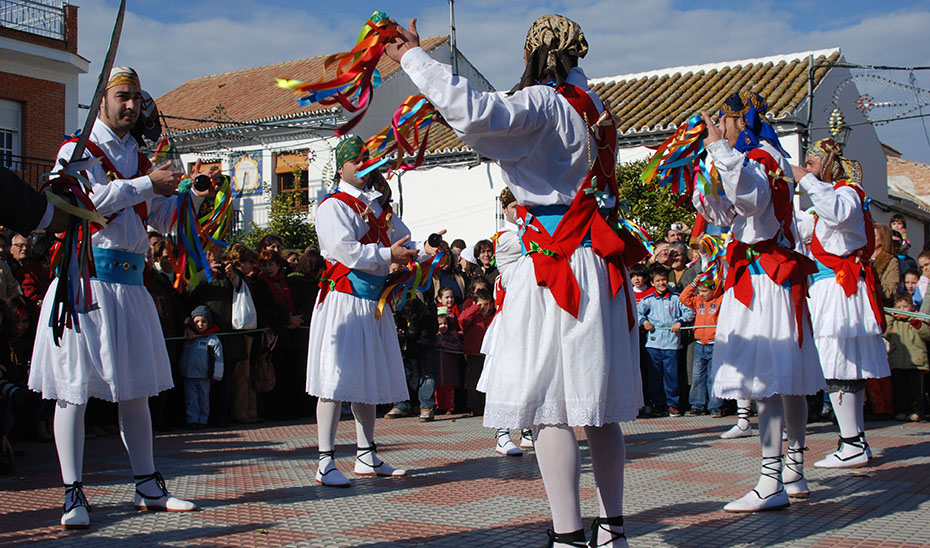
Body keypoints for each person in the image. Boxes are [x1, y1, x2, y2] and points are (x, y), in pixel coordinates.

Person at [390, 15, 647, 547]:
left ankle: (569, 535)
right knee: (596, 406)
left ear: (533, 54)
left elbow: (479, 114)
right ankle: (613, 529)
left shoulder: (545, 104)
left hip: (554, 264)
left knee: (551, 405)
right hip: (595, 262)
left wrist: (414, 59)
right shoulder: (596, 108)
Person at [28, 67, 200, 528]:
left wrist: (189, 196)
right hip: (84, 282)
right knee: (73, 393)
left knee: (136, 392)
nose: (131, 106)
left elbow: (160, 221)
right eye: (122, 96)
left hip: (129, 286)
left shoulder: (142, 160)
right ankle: (72, 493)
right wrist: (148, 184)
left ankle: (147, 485)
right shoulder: (77, 149)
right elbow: (89, 202)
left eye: (137, 99)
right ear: (101, 99)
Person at [693, 91, 823, 512]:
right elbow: (725, 214)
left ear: (737, 122)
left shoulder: (760, 160)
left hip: (765, 278)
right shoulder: (767, 158)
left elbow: (749, 200)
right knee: (786, 381)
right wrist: (708, 177)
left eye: (724, 122)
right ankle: (793, 472)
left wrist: (717, 150)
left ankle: (771, 481)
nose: (720, 128)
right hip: (769, 276)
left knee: (769, 381)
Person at [306, 135, 441, 487]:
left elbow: (402, 243)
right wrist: (387, 256)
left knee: (366, 382)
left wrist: (425, 249)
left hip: (372, 305)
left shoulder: (376, 207)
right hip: (344, 303)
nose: (365, 168)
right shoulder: (332, 206)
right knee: (333, 382)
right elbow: (346, 251)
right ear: (342, 167)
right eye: (358, 162)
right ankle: (325, 461)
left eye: (369, 162)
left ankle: (366, 455)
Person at [792, 138, 890, 469]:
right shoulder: (829, 200)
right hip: (831, 287)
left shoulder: (847, 194)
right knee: (840, 363)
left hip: (840, 288)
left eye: (813, 162)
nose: (808, 168)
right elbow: (802, 225)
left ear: (830, 163)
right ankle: (853, 440)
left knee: (839, 363)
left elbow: (834, 212)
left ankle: (852, 442)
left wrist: (802, 179)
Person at [638, 265, 695, 417]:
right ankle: (658, 404)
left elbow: (690, 312)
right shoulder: (648, 300)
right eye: (657, 281)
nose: (661, 283)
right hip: (653, 344)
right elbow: (636, 313)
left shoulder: (676, 298)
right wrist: (644, 322)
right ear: (652, 283)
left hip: (672, 344)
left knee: (671, 375)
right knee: (654, 376)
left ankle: (673, 404)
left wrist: (680, 322)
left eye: (663, 280)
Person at [679, 279, 724, 416]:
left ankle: (716, 406)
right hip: (699, 344)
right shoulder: (698, 300)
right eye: (700, 291)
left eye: (705, 291)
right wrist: (693, 283)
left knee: (714, 377)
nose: (702, 294)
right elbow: (683, 297)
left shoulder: (720, 300)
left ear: (714, 289)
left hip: (715, 343)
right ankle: (697, 405)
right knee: (697, 376)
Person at [884, 292, 928, 422]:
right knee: (900, 389)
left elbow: (927, 333)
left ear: (911, 307)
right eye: (899, 307)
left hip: (916, 361)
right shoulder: (894, 322)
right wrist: (890, 317)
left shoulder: (916, 319)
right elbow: (885, 332)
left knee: (915, 390)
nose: (903, 310)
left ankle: (916, 411)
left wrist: (918, 324)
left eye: (905, 307)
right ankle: (901, 410)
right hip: (898, 361)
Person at [178, 306, 224, 429]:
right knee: (191, 399)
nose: (200, 324)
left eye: (203, 321)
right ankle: (192, 420)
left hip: (204, 376)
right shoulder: (190, 338)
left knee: (204, 399)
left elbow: (218, 359)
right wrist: (182, 369)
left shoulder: (213, 339)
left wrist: (216, 376)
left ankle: (203, 420)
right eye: (197, 321)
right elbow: (184, 355)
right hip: (189, 374)